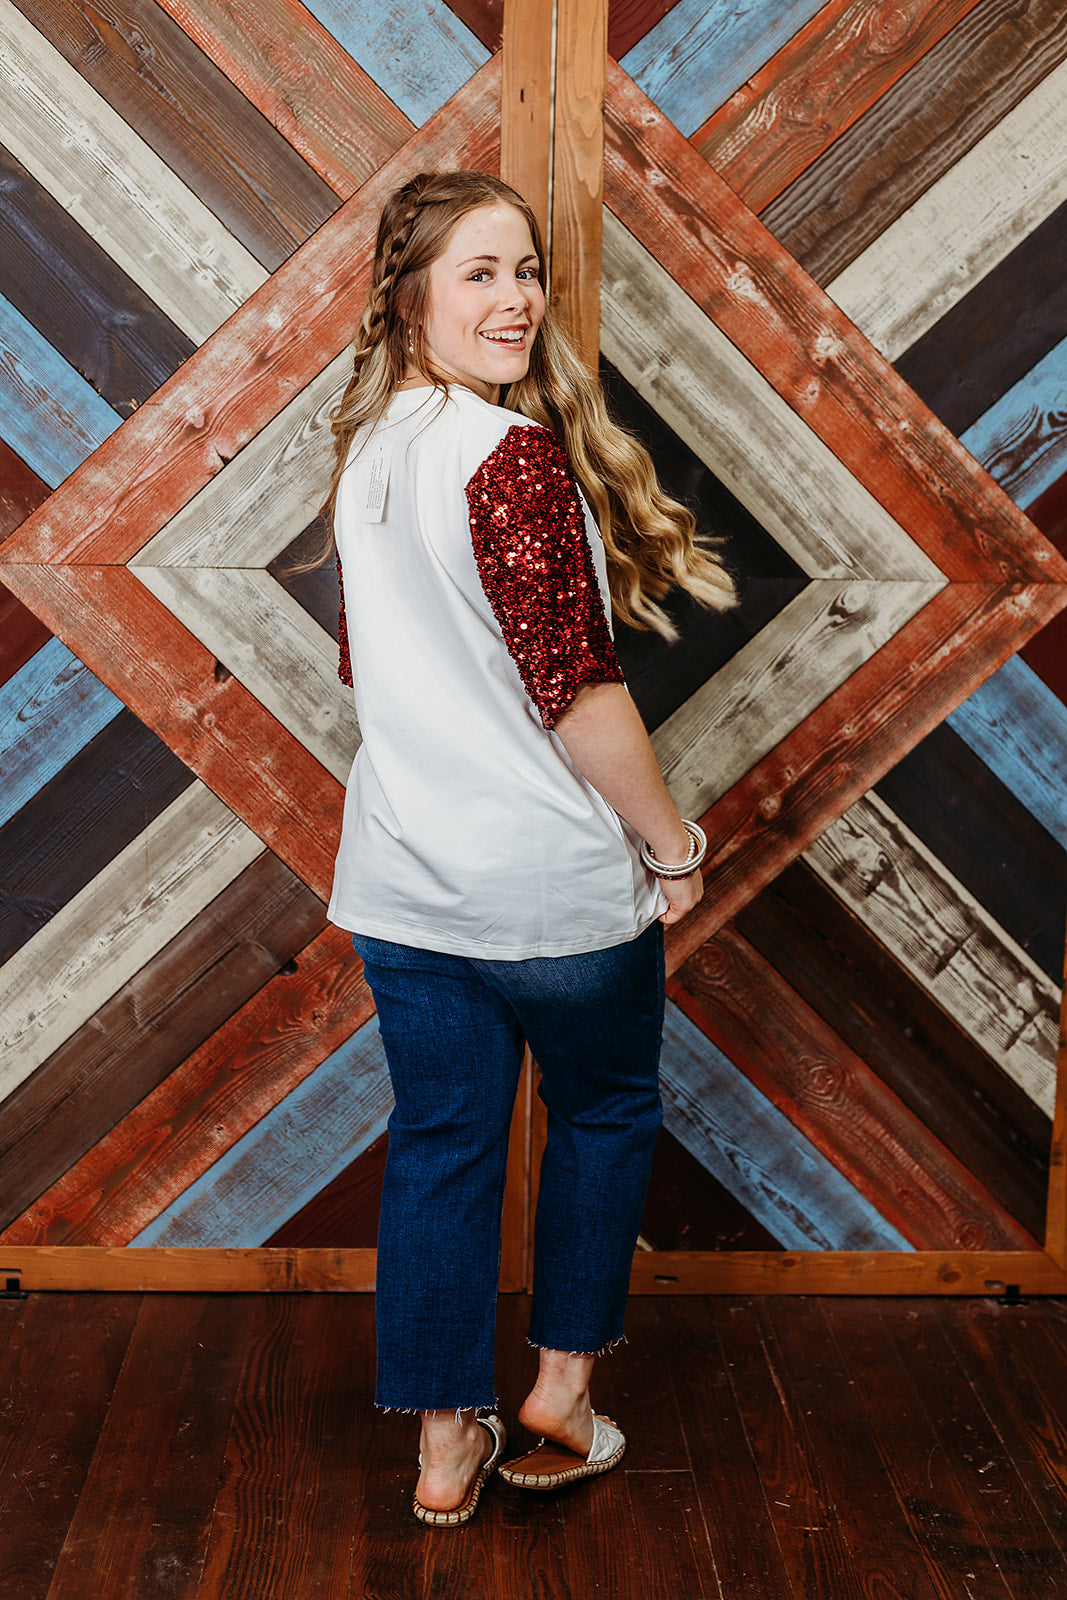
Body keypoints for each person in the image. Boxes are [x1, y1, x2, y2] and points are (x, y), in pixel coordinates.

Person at [319, 170, 735, 1526]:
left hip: (404, 881)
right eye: (479, 273)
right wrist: (672, 847)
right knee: (603, 1113)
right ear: (409, 299)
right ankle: (559, 1389)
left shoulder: (370, 454)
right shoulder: (509, 458)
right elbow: (578, 691)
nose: (517, 301)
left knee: (443, 1141)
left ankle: (444, 1450)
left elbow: (369, 666)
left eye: (528, 270)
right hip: (550, 888)